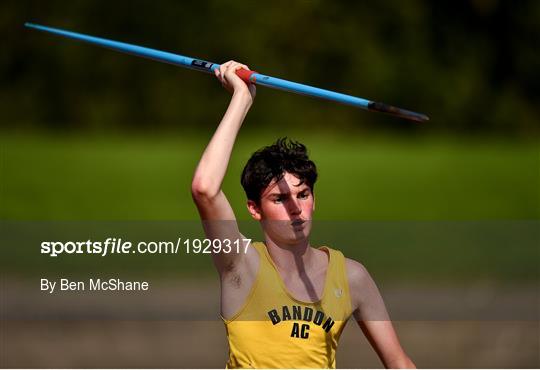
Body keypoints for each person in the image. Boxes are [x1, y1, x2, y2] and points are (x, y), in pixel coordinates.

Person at [191, 60, 415, 369]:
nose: (296, 207)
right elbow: (204, 188)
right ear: (255, 209)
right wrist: (242, 99)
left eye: (303, 194)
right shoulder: (240, 264)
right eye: (279, 198)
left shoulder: (352, 277)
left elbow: (399, 363)